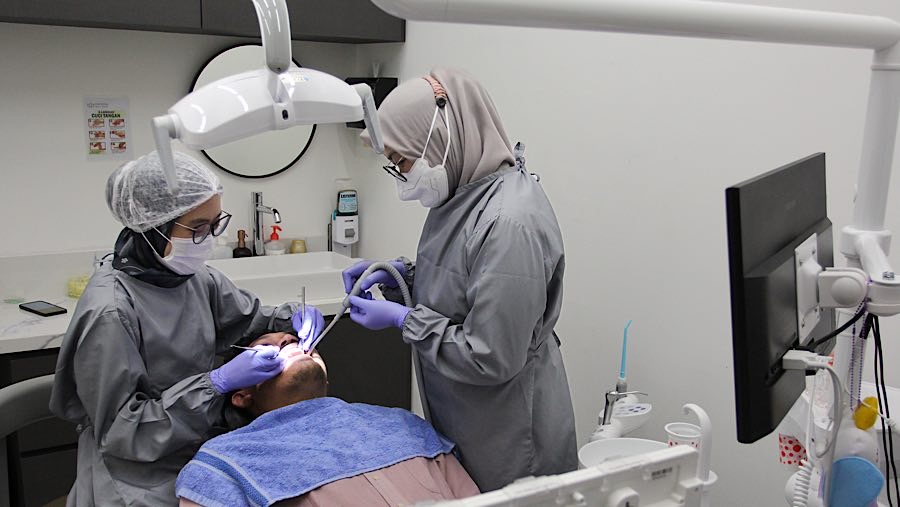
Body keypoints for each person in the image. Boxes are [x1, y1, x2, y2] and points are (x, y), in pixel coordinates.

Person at [342, 67, 578, 492]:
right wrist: (399, 276)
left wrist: (403, 321)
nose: (403, 179)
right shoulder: (463, 194)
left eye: (402, 160)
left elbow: (490, 355)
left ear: (440, 136)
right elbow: (461, 278)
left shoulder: (509, 223)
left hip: (510, 433)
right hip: (470, 416)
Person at [50, 151, 325, 506]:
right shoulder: (111, 311)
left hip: (203, 448)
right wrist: (216, 384)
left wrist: (291, 318)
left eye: (215, 224)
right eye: (198, 228)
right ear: (153, 227)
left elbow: (249, 319)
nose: (209, 239)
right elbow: (123, 431)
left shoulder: (193, 276)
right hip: (140, 473)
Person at [176, 331, 480, 507]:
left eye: (296, 340)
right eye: (271, 348)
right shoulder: (223, 464)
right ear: (242, 393)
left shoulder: (400, 424)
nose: (288, 341)